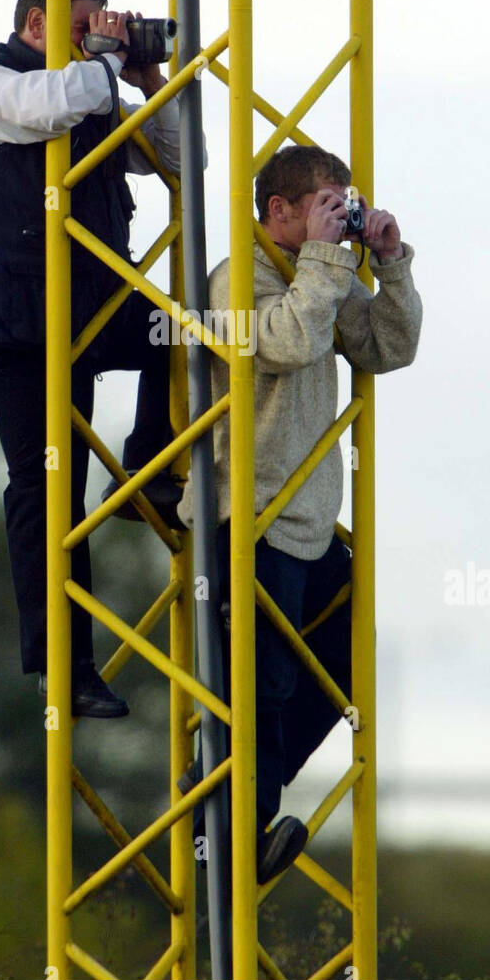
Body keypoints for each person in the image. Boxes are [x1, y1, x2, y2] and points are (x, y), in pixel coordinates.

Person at [0, 0, 188, 718]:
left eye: (104, 27)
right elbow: (52, 109)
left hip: (86, 302)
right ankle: (65, 665)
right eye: (85, 27)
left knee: (180, 333)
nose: (97, 39)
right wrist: (107, 65)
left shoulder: (95, 83)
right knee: (48, 489)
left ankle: (147, 461)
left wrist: (150, 78)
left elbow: (184, 162)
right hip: (19, 319)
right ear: (38, 25)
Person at [176, 144, 422, 883]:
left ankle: (233, 795)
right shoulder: (237, 277)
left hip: (308, 525)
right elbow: (282, 343)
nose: (336, 218)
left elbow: (387, 346)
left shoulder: (322, 273)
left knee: (345, 669)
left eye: (342, 204)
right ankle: (229, 830)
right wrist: (323, 261)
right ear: (277, 211)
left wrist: (391, 264)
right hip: (246, 517)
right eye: (324, 204)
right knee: (262, 684)